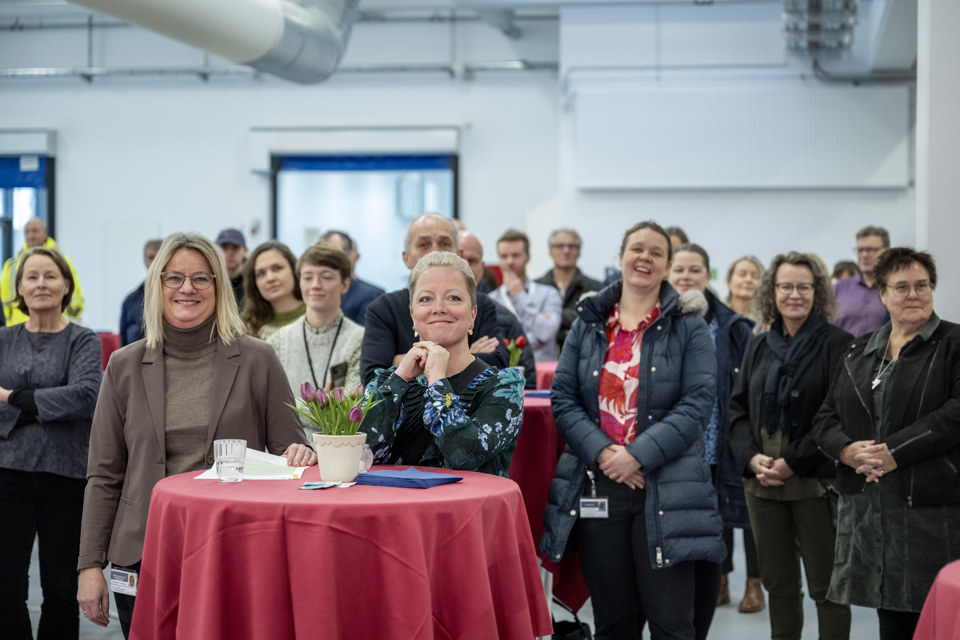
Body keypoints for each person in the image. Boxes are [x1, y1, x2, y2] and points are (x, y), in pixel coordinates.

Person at [76, 232, 315, 638]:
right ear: (157, 285)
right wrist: (89, 565)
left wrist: (301, 454)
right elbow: (103, 475)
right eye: (174, 278)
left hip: (232, 551)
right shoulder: (123, 365)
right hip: (141, 552)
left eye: (202, 278)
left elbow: (291, 452)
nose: (187, 288)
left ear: (220, 287)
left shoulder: (258, 359)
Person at [541, 221, 725, 640]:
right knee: (613, 622)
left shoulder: (689, 326)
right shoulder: (589, 322)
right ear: (620, 257)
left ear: (666, 264)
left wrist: (636, 455)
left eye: (655, 252)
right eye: (636, 249)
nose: (644, 257)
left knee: (672, 623)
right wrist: (607, 455)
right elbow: (564, 399)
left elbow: (698, 404)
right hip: (598, 484)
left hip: (668, 486)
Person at [814, 248, 960, 640]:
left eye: (922, 286)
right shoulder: (859, 351)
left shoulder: (954, 343)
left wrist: (894, 452)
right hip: (873, 509)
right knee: (891, 618)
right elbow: (825, 418)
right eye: (902, 287)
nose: (914, 295)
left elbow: (955, 414)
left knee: (939, 617)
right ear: (882, 293)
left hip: (931, 510)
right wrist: (846, 451)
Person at [728, 251, 852, 640]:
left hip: (815, 483)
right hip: (762, 484)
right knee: (778, 585)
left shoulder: (840, 344)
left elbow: (839, 418)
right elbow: (736, 409)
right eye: (785, 286)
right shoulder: (758, 344)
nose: (794, 294)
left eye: (803, 286)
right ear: (773, 291)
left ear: (817, 291)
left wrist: (792, 463)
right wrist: (751, 457)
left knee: (827, 589)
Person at [0, 247, 102, 640]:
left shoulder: (83, 340)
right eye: (32, 277)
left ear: (66, 286)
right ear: (19, 289)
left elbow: (84, 396)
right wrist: (48, 403)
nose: (41, 283)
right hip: (8, 472)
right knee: (5, 582)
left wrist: (12, 398)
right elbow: (67, 400)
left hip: (66, 475)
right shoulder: (4, 339)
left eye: (50, 276)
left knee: (60, 587)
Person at [360, 251, 524, 478]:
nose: (439, 308)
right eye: (426, 299)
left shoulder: (503, 388)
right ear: (413, 315)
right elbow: (359, 453)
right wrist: (399, 379)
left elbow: (464, 456)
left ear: (472, 315)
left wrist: (437, 381)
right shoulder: (386, 382)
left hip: (463, 512)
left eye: (453, 298)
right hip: (391, 509)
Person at [668, 244, 763, 630]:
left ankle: (746, 581)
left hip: (720, 438)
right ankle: (709, 582)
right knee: (690, 523)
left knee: (733, 513)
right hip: (674, 445)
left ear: (709, 276)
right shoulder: (655, 320)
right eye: (679, 270)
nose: (686, 277)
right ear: (667, 274)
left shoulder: (733, 327)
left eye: (695, 270)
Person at [360, 213, 508, 385]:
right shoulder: (384, 308)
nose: (434, 251)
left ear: (459, 254)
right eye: (423, 245)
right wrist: (465, 356)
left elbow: (498, 362)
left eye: (445, 243)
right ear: (406, 258)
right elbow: (373, 378)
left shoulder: (480, 304)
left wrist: (407, 361)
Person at [268, 245, 364, 441]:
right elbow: (269, 408)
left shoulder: (360, 340)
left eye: (326, 277)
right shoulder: (277, 341)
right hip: (287, 452)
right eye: (307, 277)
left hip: (340, 449)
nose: (315, 285)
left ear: (345, 284)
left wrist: (292, 404)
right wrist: (327, 403)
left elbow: (352, 412)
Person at [460, 231, 536, 388]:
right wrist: (467, 358)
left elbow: (527, 381)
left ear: (482, 268)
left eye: (472, 261)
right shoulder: (426, 316)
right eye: (458, 259)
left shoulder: (505, 319)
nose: (465, 267)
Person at [489, 228, 562, 362]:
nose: (510, 261)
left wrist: (520, 295)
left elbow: (546, 333)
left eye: (516, 255)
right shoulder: (491, 299)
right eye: (504, 256)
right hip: (503, 376)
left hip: (543, 375)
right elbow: (492, 343)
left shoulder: (549, 294)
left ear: (528, 257)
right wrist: (535, 333)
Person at [1, 217, 85, 325]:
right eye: (27, 232)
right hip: (18, 328)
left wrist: (72, 312)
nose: (31, 235)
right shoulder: (11, 266)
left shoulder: (62, 261)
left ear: (45, 233)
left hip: (55, 327)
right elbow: (5, 301)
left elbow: (75, 297)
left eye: (35, 231)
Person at [535, 228, 603, 352]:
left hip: (583, 354)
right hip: (542, 360)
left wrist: (552, 317)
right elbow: (531, 322)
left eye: (571, 246)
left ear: (579, 252)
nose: (566, 251)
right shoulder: (536, 287)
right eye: (560, 246)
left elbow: (593, 320)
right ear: (550, 252)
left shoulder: (596, 288)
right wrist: (575, 314)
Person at [832, 226, 890, 337]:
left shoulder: (894, 289)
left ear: (887, 251)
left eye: (871, 250)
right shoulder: (838, 289)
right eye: (860, 250)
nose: (864, 255)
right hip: (842, 352)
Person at [241, 240, 305, 340]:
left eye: (277, 268)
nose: (270, 278)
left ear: (294, 270)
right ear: (254, 283)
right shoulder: (246, 329)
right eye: (261, 274)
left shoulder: (318, 316)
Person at [319, 230, 385, 326]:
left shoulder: (372, 295)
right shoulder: (314, 291)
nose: (325, 259)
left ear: (351, 256)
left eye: (332, 253)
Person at [119, 239, 162, 346]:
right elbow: (123, 343)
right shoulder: (130, 301)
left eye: (159, 258)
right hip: (135, 360)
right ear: (145, 261)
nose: (154, 263)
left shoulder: (180, 298)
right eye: (151, 257)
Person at [724, 255, 764, 329]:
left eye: (755, 276)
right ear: (729, 281)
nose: (748, 280)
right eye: (742, 275)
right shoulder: (717, 316)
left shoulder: (768, 322)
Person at [215, 227, 248, 307]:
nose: (230, 253)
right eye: (224, 248)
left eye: (235, 248)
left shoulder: (255, 281)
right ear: (215, 251)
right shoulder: (210, 281)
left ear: (245, 251)